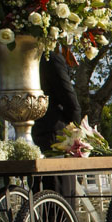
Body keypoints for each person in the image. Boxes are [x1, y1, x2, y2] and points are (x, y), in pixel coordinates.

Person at [32, 51, 82, 199]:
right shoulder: (50, 58)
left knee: (42, 197)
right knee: (61, 195)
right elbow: (70, 101)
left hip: (35, 131)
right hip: (55, 132)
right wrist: (75, 131)